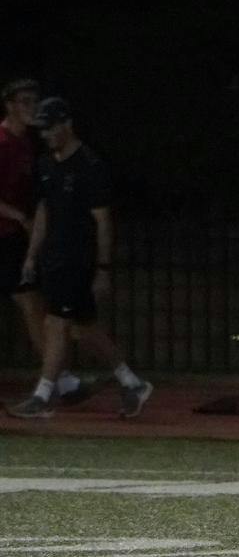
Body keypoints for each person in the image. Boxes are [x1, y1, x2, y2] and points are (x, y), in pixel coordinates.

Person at [6, 98, 152, 419]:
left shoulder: (90, 165)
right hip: (54, 258)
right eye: (42, 129)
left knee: (55, 323)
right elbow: (44, 210)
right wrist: (32, 255)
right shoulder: (45, 165)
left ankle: (43, 396)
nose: (45, 135)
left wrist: (102, 268)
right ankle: (132, 382)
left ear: (67, 125)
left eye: (51, 128)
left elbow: (102, 220)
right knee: (86, 328)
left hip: (78, 258)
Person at [0, 78, 79, 400]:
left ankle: (57, 377)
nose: (32, 108)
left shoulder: (26, 144)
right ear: (10, 105)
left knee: (34, 303)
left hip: (13, 235)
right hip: (4, 235)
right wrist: (20, 217)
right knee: (31, 303)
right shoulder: (3, 143)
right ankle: (58, 379)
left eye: (35, 101)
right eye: (25, 102)